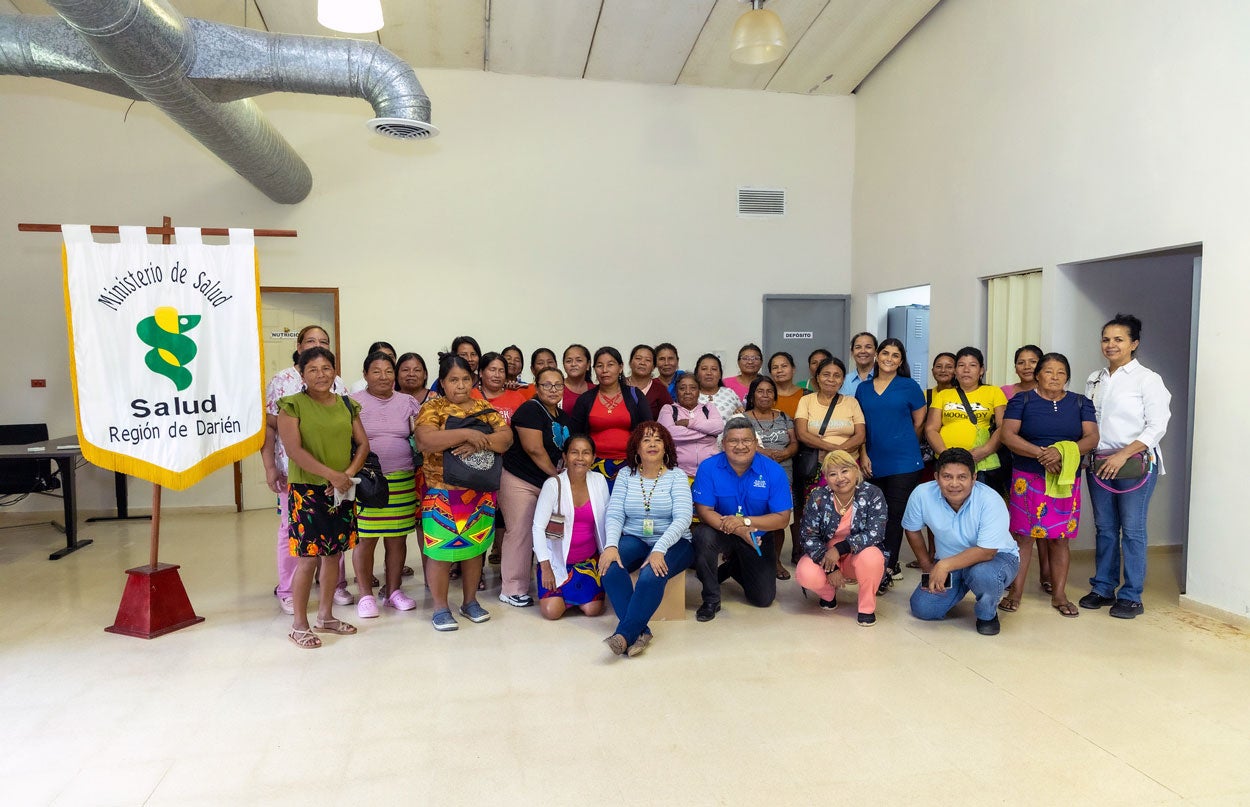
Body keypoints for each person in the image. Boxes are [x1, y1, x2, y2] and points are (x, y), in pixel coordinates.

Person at [1079, 313, 1172, 620]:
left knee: (1132, 530)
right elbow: (1089, 422)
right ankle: (1103, 587)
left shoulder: (1148, 379)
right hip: (1099, 464)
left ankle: (1131, 596)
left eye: (1119, 339)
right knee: (1105, 528)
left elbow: (1157, 425)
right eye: (1106, 339)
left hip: (1135, 464)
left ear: (1134, 344)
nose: (1111, 345)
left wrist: (1122, 455)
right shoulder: (1095, 379)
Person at [276, 346, 370, 648]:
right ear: (302, 375)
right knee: (307, 560)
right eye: (313, 370)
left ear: (335, 371)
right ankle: (299, 624)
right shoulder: (292, 405)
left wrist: (346, 476)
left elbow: (363, 444)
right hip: (307, 491)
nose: (321, 374)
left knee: (333, 555)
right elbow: (294, 451)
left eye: (326, 368)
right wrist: (332, 475)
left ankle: (326, 617)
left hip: (342, 489)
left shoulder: (347, 404)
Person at [414, 355, 514, 631]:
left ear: (473, 380)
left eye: (465, 379)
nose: (460, 385)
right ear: (443, 382)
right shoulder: (433, 407)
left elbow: (505, 438)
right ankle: (440, 608)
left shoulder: (483, 407)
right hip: (441, 494)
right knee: (439, 552)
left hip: (479, 492)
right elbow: (425, 440)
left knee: (474, 549)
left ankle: (470, 602)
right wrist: (467, 434)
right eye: (453, 380)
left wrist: (481, 442)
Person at [998, 352, 1099, 616]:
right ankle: (1015, 592)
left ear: (1067, 377)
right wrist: (1043, 455)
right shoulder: (1022, 400)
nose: (1055, 377)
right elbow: (1008, 435)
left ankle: (1059, 595)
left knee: (1059, 539)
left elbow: (1091, 438)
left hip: (1065, 479)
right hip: (1027, 478)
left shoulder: (1081, 403)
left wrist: (1062, 454)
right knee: (1023, 537)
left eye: (1061, 372)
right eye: (1048, 371)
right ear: (1038, 375)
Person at [262, 325, 352, 614]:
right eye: (310, 341)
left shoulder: (337, 383)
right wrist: (270, 467)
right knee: (294, 531)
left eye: (323, 341)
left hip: (336, 473)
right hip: (295, 471)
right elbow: (269, 428)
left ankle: (334, 584)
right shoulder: (282, 381)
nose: (317, 345)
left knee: (334, 528)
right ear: (299, 347)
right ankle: (288, 590)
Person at [599, 423, 694, 655]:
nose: (652, 444)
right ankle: (641, 631)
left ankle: (624, 635)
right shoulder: (625, 475)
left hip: (675, 542)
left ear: (666, 447)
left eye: (658, 440)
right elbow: (615, 513)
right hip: (636, 538)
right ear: (637, 448)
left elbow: (683, 518)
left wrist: (659, 549)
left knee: (652, 573)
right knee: (609, 567)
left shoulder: (677, 476)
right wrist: (611, 545)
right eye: (646, 440)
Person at [903, 448, 1020, 636]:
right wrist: (927, 565)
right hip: (951, 561)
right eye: (947, 477)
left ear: (974, 478)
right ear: (936, 477)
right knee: (923, 608)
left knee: (982, 574)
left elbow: (987, 551)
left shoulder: (990, 500)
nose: (954, 484)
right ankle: (961, 583)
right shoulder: (921, 494)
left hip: (996, 558)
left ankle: (987, 615)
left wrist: (944, 565)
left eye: (962, 477)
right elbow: (911, 529)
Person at [691, 416, 793, 620]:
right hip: (721, 529)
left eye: (746, 440)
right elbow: (704, 511)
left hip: (757, 535)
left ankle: (732, 567)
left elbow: (782, 518)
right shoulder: (708, 467)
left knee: (763, 598)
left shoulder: (773, 471)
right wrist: (739, 529)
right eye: (733, 441)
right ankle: (711, 599)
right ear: (723, 444)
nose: (740, 446)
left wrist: (745, 522)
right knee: (702, 535)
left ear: (755, 443)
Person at [349, 351, 422, 617]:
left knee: (397, 539)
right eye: (376, 371)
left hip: (402, 479)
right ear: (365, 374)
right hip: (367, 480)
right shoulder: (353, 403)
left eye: (389, 371)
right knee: (366, 540)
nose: (383, 377)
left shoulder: (407, 402)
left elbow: (418, 435)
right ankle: (365, 595)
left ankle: (393, 592)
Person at [855, 337, 926, 590]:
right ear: (877, 356)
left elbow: (919, 422)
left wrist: (902, 443)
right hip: (872, 461)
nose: (889, 358)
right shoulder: (863, 388)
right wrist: (863, 454)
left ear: (901, 361)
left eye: (895, 355)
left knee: (893, 518)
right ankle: (873, 563)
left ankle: (886, 569)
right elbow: (860, 426)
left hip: (904, 463)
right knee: (874, 517)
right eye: (885, 353)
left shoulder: (909, 386)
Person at [498, 367, 571, 608]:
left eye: (558, 385)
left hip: (547, 482)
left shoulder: (562, 415)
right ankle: (512, 589)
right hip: (521, 480)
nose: (553, 389)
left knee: (552, 532)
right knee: (520, 531)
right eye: (547, 385)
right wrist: (557, 478)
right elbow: (534, 449)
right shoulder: (530, 409)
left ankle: (550, 580)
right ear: (537, 387)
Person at [796, 451, 888, 625]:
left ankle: (866, 608)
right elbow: (808, 535)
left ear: (856, 470)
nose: (840, 478)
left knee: (872, 558)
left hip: (857, 554)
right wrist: (830, 568)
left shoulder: (872, 493)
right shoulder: (818, 496)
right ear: (826, 478)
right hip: (825, 556)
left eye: (845, 471)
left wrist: (840, 549)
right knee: (805, 573)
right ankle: (828, 594)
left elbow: (875, 532)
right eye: (833, 474)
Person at [531, 434, 610, 620]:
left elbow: (608, 520)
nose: (580, 458)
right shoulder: (553, 485)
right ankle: (564, 595)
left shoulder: (599, 481)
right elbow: (537, 528)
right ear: (565, 457)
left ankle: (576, 597)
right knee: (552, 612)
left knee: (593, 610)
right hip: (556, 562)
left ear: (593, 457)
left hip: (587, 562)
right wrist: (546, 567)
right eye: (574, 452)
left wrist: (607, 554)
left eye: (586, 453)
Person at [567, 347, 652, 489]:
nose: (604, 370)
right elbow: (575, 435)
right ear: (594, 369)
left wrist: (639, 462)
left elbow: (648, 430)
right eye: (599, 366)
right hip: (593, 466)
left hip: (630, 465)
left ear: (620, 367)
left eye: (610, 365)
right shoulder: (585, 399)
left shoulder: (634, 395)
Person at [999, 344, 1047, 587]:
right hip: (1010, 461)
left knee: (1045, 522)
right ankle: (1011, 575)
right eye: (1021, 362)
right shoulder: (1004, 392)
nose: (1027, 366)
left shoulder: (1051, 393)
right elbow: (1002, 429)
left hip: (1045, 462)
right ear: (1015, 367)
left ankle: (1047, 575)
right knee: (1015, 522)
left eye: (1033, 361)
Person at [925, 346, 1008, 484]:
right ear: (955, 370)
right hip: (946, 462)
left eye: (972, 365)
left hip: (980, 461)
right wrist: (946, 455)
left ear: (981, 370)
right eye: (961, 365)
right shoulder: (943, 395)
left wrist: (984, 451)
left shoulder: (994, 392)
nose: (966, 370)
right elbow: (931, 429)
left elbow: (1003, 427)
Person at [744, 377, 798, 580]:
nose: (765, 395)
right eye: (760, 391)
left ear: (775, 396)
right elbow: (741, 442)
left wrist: (785, 453)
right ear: (752, 395)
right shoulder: (743, 418)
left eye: (769, 391)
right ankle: (747, 558)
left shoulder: (784, 417)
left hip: (782, 474)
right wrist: (766, 454)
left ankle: (775, 561)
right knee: (752, 516)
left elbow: (794, 443)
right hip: (752, 473)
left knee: (778, 518)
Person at [908, 351, 956, 569]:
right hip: (929, 460)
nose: (943, 370)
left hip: (956, 458)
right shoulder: (925, 395)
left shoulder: (961, 395)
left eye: (949, 366)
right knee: (933, 505)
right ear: (932, 370)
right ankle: (932, 553)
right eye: (939, 366)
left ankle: (951, 554)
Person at [658, 374, 723, 478]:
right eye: (682, 388)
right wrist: (707, 432)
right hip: (677, 474)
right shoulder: (668, 409)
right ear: (676, 391)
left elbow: (718, 427)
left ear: (699, 391)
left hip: (710, 472)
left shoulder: (708, 408)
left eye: (693, 388)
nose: (687, 392)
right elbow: (669, 434)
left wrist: (689, 423)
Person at [471, 352, 528, 423]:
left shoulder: (518, 398)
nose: (497, 375)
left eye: (501, 371)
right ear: (481, 373)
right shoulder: (470, 396)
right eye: (492, 370)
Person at [624, 343, 673, 419]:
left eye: (648, 360)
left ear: (653, 367)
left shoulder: (660, 389)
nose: (642, 363)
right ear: (630, 363)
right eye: (638, 358)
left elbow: (670, 418)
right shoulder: (618, 385)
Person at [693, 353, 743, 422]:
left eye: (714, 369)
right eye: (704, 369)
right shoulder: (690, 395)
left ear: (720, 374)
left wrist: (740, 413)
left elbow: (742, 413)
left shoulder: (729, 393)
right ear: (697, 374)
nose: (709, 373)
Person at [767, 351, 808, 418]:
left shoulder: (807, 395)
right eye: (775, 367)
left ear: (793, 369)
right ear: (770, 373)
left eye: (784, 366)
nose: (779, 370)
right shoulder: (765, 396)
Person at [561, 343, 593, 412]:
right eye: (568, 361)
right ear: (563, 365)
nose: (573, 364)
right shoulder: (556, 388)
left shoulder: (596, 390)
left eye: (579, 360)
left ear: (588, 364)